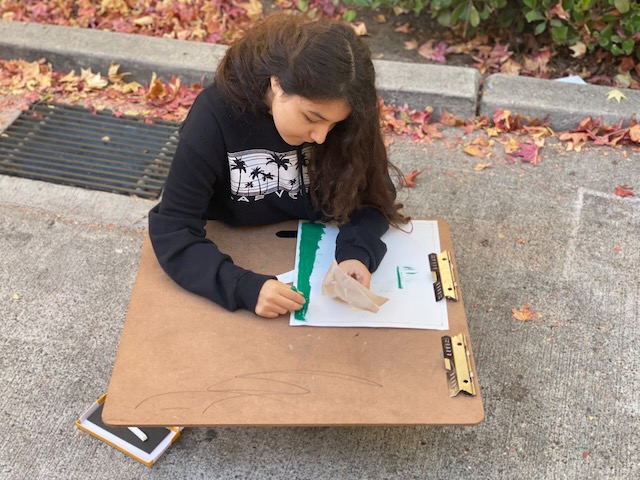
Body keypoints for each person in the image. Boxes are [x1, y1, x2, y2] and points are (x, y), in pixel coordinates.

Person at [149, 13, 408, 319]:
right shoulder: (214, 116)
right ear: (277, 83)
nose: (321, 136)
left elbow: (375, 197)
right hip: (239, 245)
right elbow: (173, 228)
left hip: (309, 246)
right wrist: (242, 286)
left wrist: (356, 253)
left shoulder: (347, 119)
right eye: (311, 118)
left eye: (334, 124)